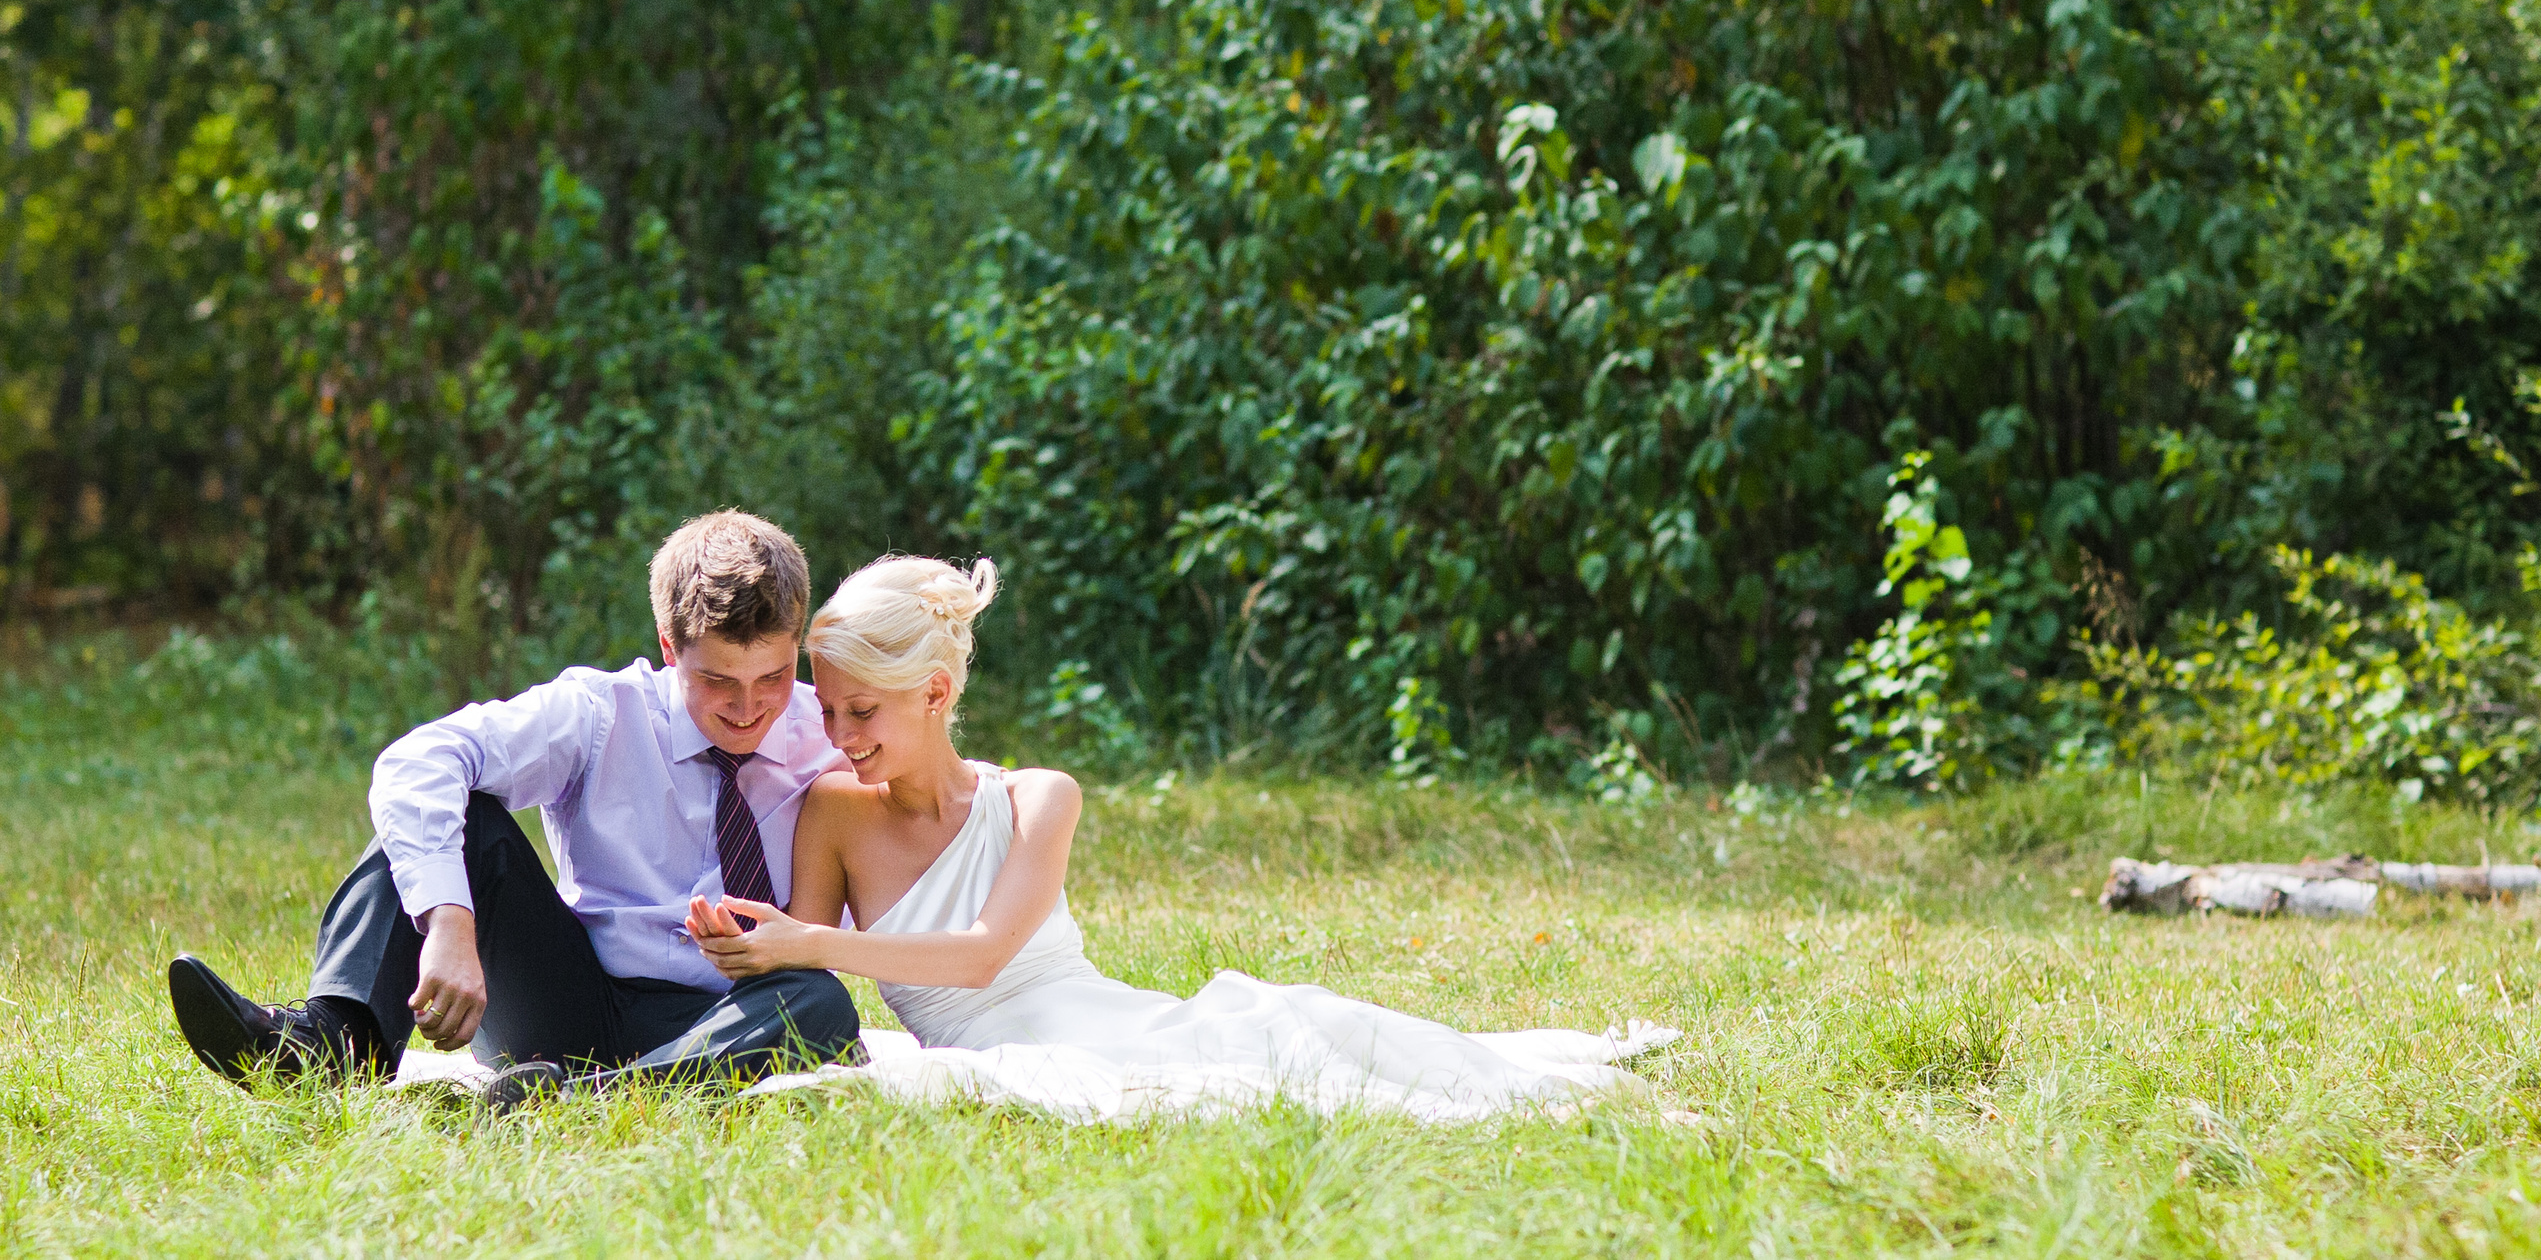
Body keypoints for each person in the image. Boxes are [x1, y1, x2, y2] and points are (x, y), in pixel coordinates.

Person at [684, 554, 1675, 1122]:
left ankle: (1567, 1102)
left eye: (862, 713)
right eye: (833, 709)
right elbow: (800, 986)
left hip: (1094, 1018)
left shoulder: (1040, 798)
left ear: (935, 693)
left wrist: (809, 941)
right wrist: (748, 943)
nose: (838, 734)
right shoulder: (832, 813)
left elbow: (986, 956)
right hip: (980, 1048)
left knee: (1298, 1038)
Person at [168, 510, 865, 1101]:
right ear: (668, 648)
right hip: (569, 998)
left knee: (821, 1002)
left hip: (726, 1015)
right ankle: (327, 1041)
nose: (748, 708)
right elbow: (419, 761)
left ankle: (580, 1100)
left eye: (772, 676)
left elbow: (939, 796)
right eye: (718, 680)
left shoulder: (826, 735)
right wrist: (448, 916)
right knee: (457, 814)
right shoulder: (600, 713)